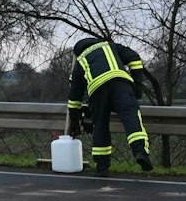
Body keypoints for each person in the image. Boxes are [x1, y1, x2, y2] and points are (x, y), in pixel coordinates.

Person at [65, 36, 159, 176]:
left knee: (100, 126)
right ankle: (140, 152)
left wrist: (74, 120)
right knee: (131, 116)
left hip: (97, 91)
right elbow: (134, 58)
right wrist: (138, 86)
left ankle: (102, 167)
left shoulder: (81, 60)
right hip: (121, 85)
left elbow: (74, 97)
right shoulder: (111, 46)